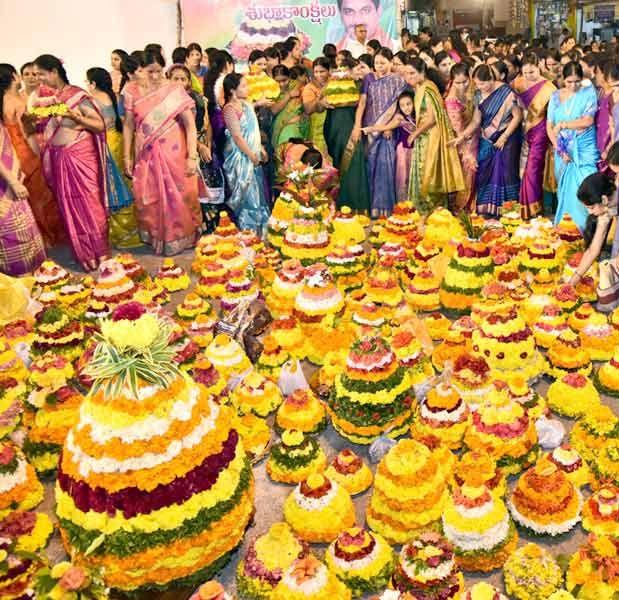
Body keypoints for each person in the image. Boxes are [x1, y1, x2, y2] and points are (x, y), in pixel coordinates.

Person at [34, 54, 109, 271]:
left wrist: (77, 118)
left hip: (81, 158)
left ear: (54, 72)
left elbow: (98, 124)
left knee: (89, 204)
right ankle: (85, 254)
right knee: (70, 205)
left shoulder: (77, 95)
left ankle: (100, 253)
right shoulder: (49, 98)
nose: (39, 78)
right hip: (60, 159)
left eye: (41, 74)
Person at [123, 50, 201, 255]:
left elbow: (190, 125)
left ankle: (180, 239)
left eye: (159, 71)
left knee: (180, 196)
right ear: (139, 70)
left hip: (175, 153)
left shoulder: (174, 90)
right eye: (150, 72)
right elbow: (129, 126)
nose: (155, 76)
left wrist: (192, 156)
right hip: (146, 155)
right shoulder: (131, 91)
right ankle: (158, 238)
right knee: (150, 197)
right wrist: (127, 156)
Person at [0, 64, 64, 247]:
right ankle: (45, 238)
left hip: (7, 154)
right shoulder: (17, 102)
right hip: (23, 150)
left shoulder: (3, 100)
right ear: (14, 76)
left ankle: (34, 236)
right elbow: (27, 133)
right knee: (39, 194)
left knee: (24, 197)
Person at [454, 64, 523, 217]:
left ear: (491, 79)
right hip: (487, 138)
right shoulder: (479, 94)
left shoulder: (507, 93)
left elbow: (518, 117)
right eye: (477, 84)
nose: (480, 87)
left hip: (507, 139)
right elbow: (476, 121)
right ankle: (487, 210)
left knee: (506, 173)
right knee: (483, 170)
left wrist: (504, 137)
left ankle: (509, 213)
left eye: (483, 83)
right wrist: (463, 135)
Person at [86, 67, 140, 249]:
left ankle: (118, 234)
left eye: (87, 82)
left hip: (105, 144)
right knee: (126, 185)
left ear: (93, 83)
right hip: (121, 141)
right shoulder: (115, 97)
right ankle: (132, 230)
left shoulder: (91, 101)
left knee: (111, 188)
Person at [403, 58, 464, 215]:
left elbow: (431, 119)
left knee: (428, 173)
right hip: (424, 136)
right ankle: (423, 212)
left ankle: (431, 212)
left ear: (422, 72)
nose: (408, 77)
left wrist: (414, 133)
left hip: (431, 136)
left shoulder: (428, 89)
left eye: (412, 73)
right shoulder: (421, 87)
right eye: (406, 74)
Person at [353, 47, 407, 216]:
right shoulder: (369, 78)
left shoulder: (398, 81)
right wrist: (357, 126)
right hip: (369, 127)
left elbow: (400, 106)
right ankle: (371, 207)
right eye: (376, 63)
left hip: (387, 130)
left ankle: (385, 209)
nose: (380, 66)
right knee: (370, 166)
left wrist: (389, 125)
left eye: (383, 63)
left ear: (391, 63)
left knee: (385, 166)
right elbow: (362, 103)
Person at [547, 61, 599, 230]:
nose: (573, 85)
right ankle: (567, 230)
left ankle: (586, 230)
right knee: (566, 191)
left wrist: (563, 125)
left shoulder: (588, 93)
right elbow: (549, 126)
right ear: (563, 79)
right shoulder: (555, 96)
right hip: (563, 151)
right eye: (569, 81)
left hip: (584, 148)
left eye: (577, 81)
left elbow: (588, 120)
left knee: (585, 187)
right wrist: (560, 149)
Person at [0, 93, 45, 274]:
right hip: (5, 183)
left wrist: (17, 174)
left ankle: (34, 275)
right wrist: (13, 181)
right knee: (8, 230)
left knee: (24, 226)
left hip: (11, 177)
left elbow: (9, 146)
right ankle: (16, 280)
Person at [222, 73, 269, 234]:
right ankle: (248, 232)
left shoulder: (247, 105)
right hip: (240, 158)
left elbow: (253, 131)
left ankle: (260, 231)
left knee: (257, 194)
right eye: (243, 85)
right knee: (247, 196)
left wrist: (260, 149)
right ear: (232, 90)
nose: (247, 88)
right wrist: (251, 155)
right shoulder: (229, 109)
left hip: (252, 155)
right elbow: (237, 136)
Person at [513, 53, 556, 219]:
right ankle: (524, 206)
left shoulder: (549, 88)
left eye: (532, 72)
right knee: (522, 169)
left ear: (540, 67)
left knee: (533, 169)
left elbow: (553, 114)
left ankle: (532, 208)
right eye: (525, 73)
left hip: (540, 131)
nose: (529, 76)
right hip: (522, 131)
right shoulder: (517, 83)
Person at [324, 58, 371, 212]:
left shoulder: (361, 83)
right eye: (357, 69)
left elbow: (362, 105)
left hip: (352, 125)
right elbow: (325, 100)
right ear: (348, 70)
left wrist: (356, 126)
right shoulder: (338, 83)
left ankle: (357, 207)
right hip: (339, 124)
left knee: (354, 161)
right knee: (344, 161)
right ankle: (344, 206)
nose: (360, 72)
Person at [362, 90, 415, 202]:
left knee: (414, 178)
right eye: (402, 105)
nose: (406, 108)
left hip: (416, 151)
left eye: (408, 104)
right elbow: (384, 127)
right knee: (403, 178)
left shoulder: (418, 115)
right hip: (403, 151)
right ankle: (403, 204)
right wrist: (370, 129)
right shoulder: (400, 117)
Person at [569, 171, 616, 288]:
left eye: (591, 207)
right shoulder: (606, 209)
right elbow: (593, 250)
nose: (590, 212)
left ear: (604, 199)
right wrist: (573, 281)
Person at [445, 62, 479, 212]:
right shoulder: (451, 100)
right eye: (457, 83)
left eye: (464, 82)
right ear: (452, 81)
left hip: (476, 135)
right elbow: (457, 129)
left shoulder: (474, 89)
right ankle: (462, 209)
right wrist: (466, 152)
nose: (461, 86)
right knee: (467, 171)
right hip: (460, 141)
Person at [270, 65, 308, 172]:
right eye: (278, 81)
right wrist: (289, 95)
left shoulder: (299, 87)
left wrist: (300, 117)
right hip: (278, 130)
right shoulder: (270, 90)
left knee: (297, 159)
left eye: (284, 80)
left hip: (297, 127)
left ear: (289, 77)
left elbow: (306, 109)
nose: (281, 84)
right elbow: (273, 110)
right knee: (283, 159)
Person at [302, 57, 331, 159]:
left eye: (322, 71)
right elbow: (308, 109)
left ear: (329, 70)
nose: (318, 75)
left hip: (334, 127)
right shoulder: (309, 88)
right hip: (318, 131)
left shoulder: (335, 83)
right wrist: (320, 102)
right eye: (316, 72)